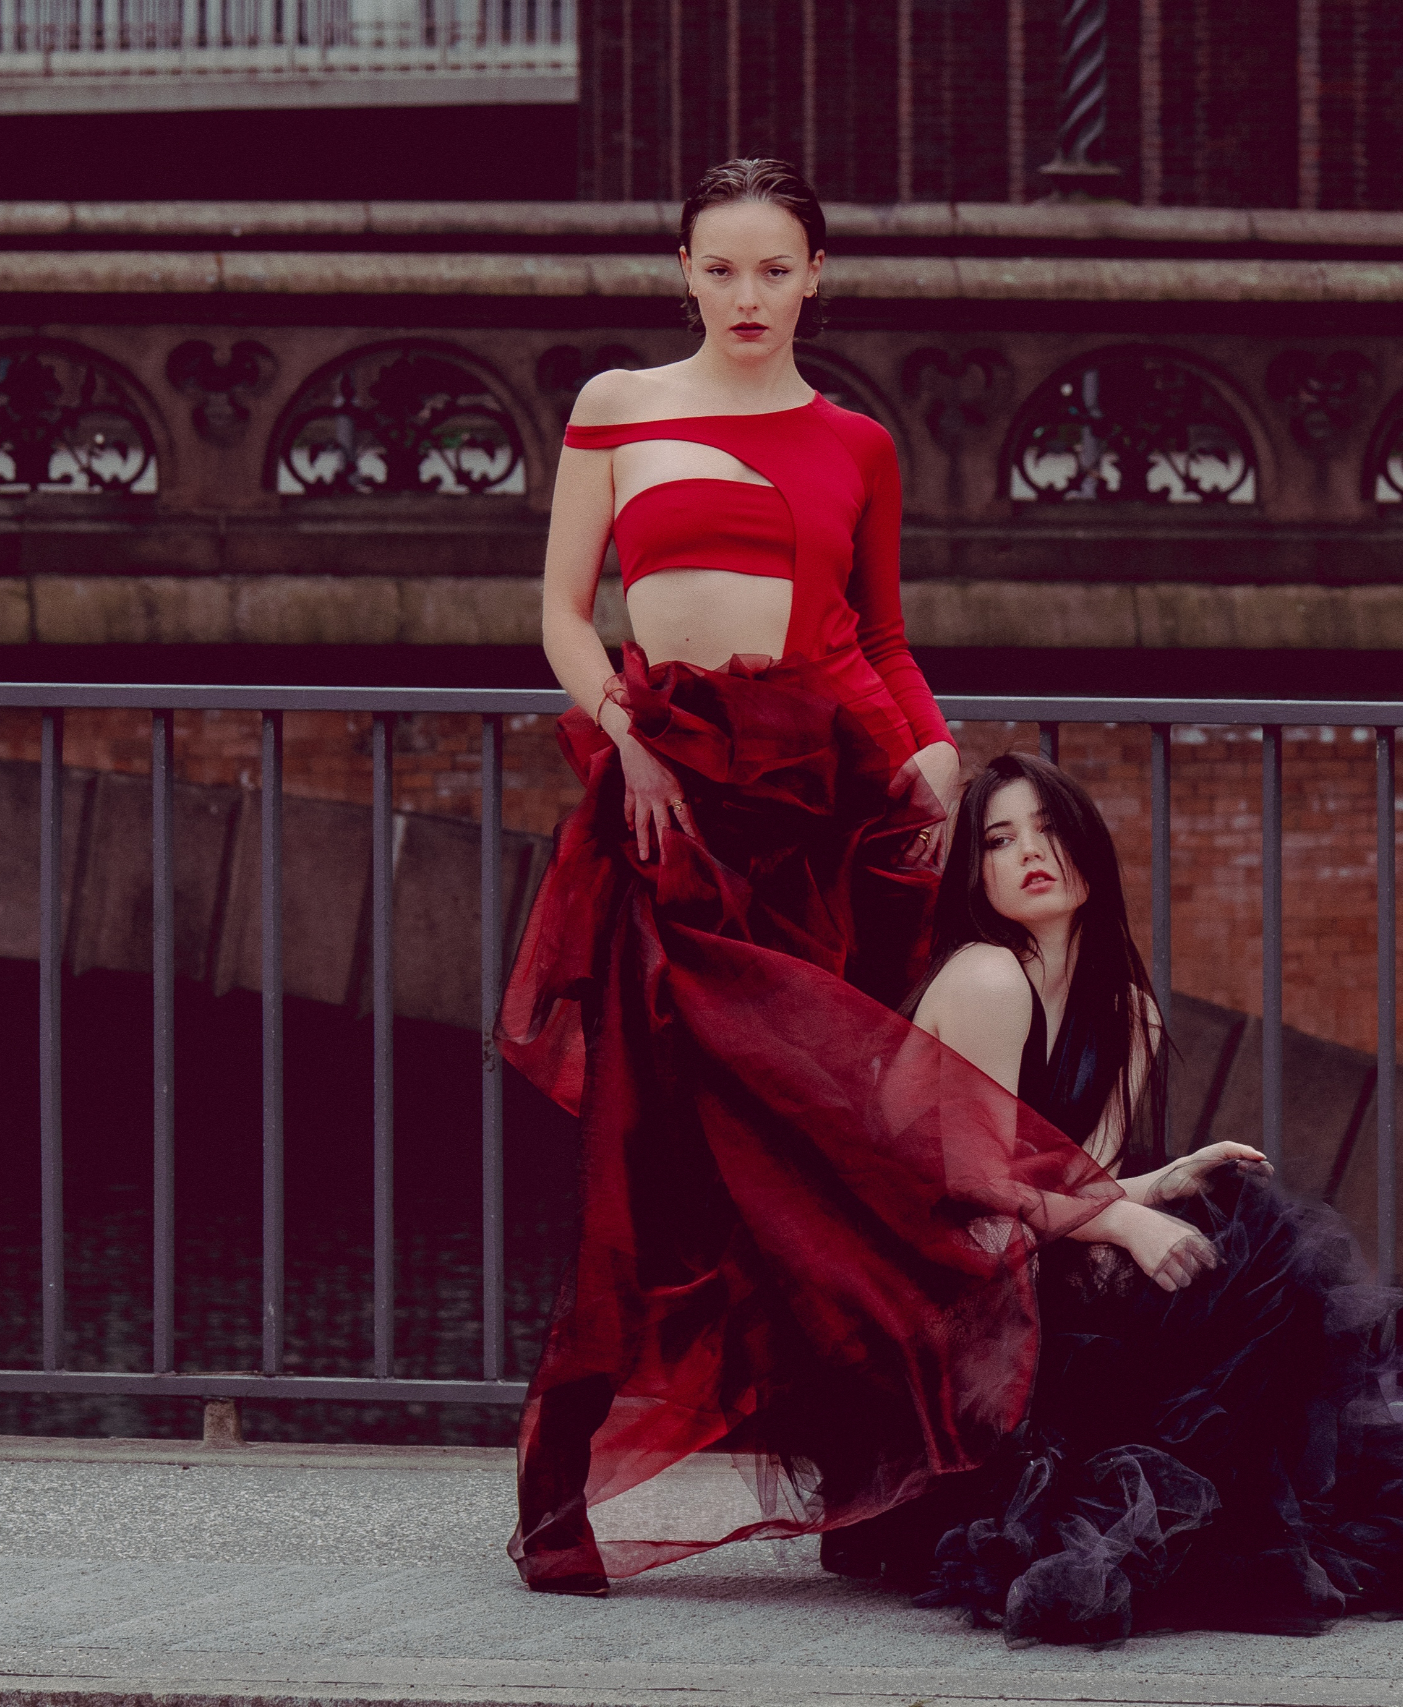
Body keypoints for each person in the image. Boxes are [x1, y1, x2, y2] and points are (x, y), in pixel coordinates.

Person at [492, 160, 1215, 1596]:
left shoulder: (859, 442)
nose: (748, 296)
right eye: (722, 269)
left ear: (815, 275)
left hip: (835, 814)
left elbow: (879, 638)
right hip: (676, 810)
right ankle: (556, 1489)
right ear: (682, 270)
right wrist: (629, 737)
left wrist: (938, 757)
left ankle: (877, 1475)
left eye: (775, 270)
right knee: (645, 1160)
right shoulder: (619, 406)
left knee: (841, 1162)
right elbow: (564, 616)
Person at [863, 752, 1403, 1644]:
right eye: (1000, 839)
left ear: (1089, 849)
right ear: (979, 872)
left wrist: (1171, 1178)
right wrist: (1125, 1217)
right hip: (927, 1286)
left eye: (1048, 828)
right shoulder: (986, 976)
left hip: (1023, 1250)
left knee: (1245, 1230)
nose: (1030, 852)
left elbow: (1081, 1181)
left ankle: (1235, 1525)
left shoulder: (1127, 1010)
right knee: (1217, 1259)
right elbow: (971, 1184)